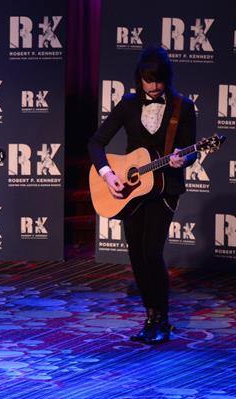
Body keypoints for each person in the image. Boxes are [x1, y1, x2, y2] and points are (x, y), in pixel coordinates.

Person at [88, 46, 196, 344]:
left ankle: (162, 318)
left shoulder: (182, 107)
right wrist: (108, 174)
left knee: (151, 252)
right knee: (136, 254)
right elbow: (96, 143)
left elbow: (190, 152)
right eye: (148, 80)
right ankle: (150, 315)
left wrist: (181, 159)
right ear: (140, 79)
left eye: (158, 81)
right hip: (131, 189)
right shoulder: (128, 104)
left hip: (164, 188)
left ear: (166, 79)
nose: (153, 86)